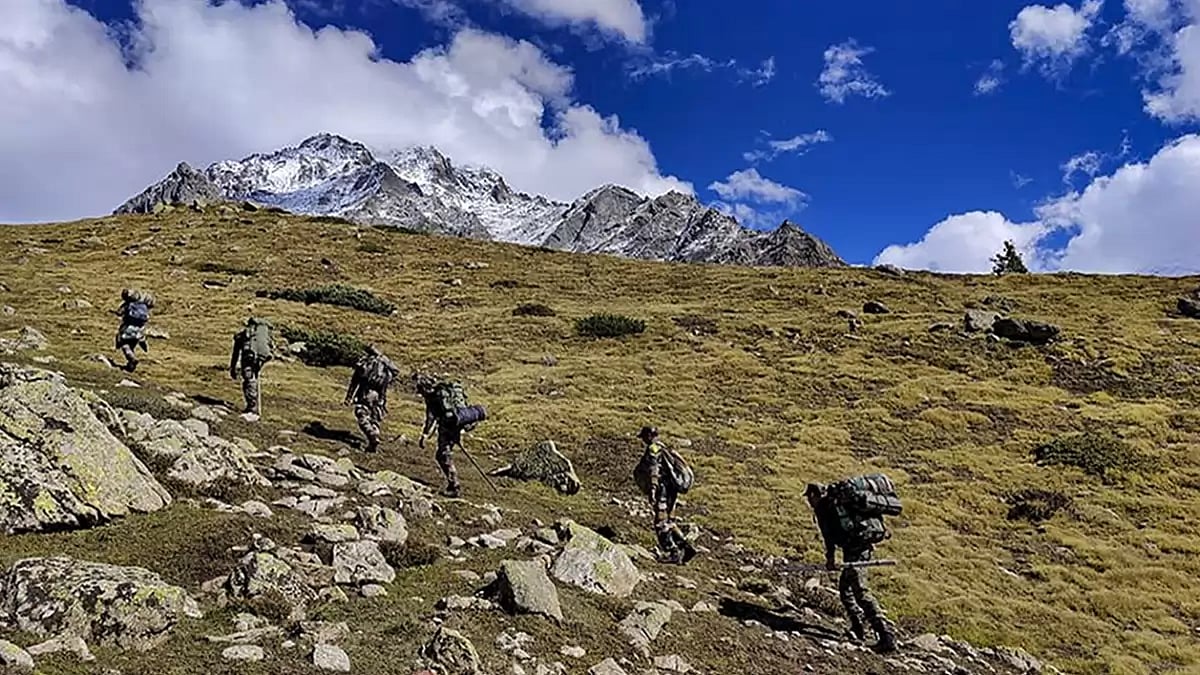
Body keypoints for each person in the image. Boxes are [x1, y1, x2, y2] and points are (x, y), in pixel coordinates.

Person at [806, 481, 898, 653]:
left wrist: (830, 558)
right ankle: (858, 628)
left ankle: (886, 635)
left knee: (861, 592)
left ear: (813, 495)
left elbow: (828, 536)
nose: (809, 502)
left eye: (809, 497)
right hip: (857, 548)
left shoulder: (824, 508)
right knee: (845, 590)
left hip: (856, 550)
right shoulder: (836, 503)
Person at [635, 425, 697, 565]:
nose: (643, 440)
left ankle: (672, 551)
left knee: (660, 522)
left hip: (662, 489)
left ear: (649, 436)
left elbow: (654, 469)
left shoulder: (653, 449)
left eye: (644, 437)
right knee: (670, 521)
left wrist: (652, 489)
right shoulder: (664, 447)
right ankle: (686, 547)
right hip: (671, 489)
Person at [413, 373, 471, 497]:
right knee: (445, 454)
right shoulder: (443, 392)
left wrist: (424, 435)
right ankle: (453, 484)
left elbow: (430, 419)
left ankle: (454, 486)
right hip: (456, 423)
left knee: (443, 455)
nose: (421, 394)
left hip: (447, 427)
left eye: (421, 391)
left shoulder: (432, 398)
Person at [344, 345, 399, 453]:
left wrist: (349, 397)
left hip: (365, 394)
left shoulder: (364, 363)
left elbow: (355, 381)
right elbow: (396, 371)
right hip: (380, 396)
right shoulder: (384, 363)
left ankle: (371, 435)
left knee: (362, 415)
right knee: (375, 418)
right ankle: (374, 439)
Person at [229, 317, 274, 417]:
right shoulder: (263, 334)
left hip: (250, 355)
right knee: (254, 375)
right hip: (263, 356)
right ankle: (255, 405)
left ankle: (252, 407)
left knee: (249, 378)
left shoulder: (242, 336)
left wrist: (233, 368)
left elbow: (235, 354)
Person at [114, 289, 154, 372]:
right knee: (131, 346)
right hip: (139, 330)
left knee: (124, 344)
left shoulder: (128, 304)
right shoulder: (143, 306)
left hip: (128, 328)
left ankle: (132, 359)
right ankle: (130, 365)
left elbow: (119, 312)